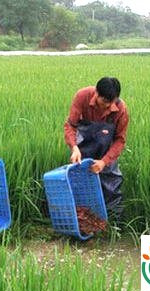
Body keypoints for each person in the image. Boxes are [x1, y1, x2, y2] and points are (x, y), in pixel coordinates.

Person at [64, 77, 129, 220]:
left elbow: (120, 140)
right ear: (96, 94)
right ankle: (80, 221)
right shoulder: (82, 96)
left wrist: (104, 162)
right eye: (105, 101)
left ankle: (112, 224)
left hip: (106, 152)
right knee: (79, 183)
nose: (108, 106)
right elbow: (71, 125)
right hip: (83, 150)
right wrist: (74, 148)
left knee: (111, 186)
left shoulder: (121, 109)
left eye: (111, 102)